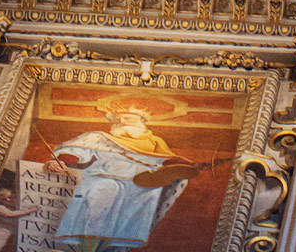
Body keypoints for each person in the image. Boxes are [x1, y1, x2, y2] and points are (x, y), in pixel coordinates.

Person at [52, 105, 200, 251]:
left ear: (141, 120)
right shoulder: (100, 138)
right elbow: (76, 154)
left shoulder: (154, 142)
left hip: (141, 184)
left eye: (127, 118)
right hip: (104, 178)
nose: (122, 122)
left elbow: (168, 160)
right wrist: (61, 162)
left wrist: (191, 165)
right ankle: (88, 249)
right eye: (118, 120)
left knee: (127, 222)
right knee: (97, 207)